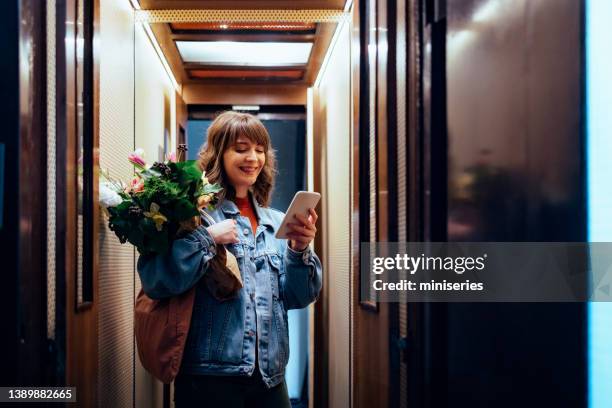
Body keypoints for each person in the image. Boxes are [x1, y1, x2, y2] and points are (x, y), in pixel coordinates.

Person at [137, 111, 323, 407]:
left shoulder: (276, 224)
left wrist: (299, 250)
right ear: (219, 154)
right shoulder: (193, 218)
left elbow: (298, 297)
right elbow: (157, 281)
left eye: (260, 150)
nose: (253, 158)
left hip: (270, 379)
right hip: (207, 381)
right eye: (241, 148)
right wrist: (208, 238)